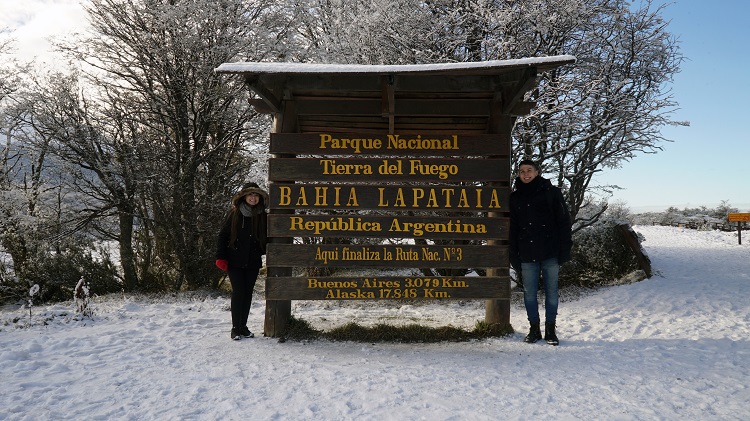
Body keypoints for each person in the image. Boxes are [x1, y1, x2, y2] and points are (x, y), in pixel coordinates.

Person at [509, 159, 572, 346]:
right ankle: (534, 329)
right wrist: (514, 254)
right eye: (522, 171)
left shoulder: (552, 193)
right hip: (527, 252)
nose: (525, 174)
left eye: (529, 170)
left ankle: (551, 330)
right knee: (529, 294)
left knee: (551, 292)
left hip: (550, 251)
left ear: (537, 172)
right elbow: (513, 228)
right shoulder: (515, 197)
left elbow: (563, 222)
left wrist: (564, 250)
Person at [216, 182, 269, 341]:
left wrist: (261, 250)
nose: (253, 198)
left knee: (247, 294)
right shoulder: (234, 214)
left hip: (252, 261)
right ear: (244, 197)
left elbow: (267, 237)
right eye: (250, 195)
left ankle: (243, 326)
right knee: (239, 292)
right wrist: (221, 257)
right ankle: (235, 328)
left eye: (256, 195)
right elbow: (223, 235)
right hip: (235, 260)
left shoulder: (263, 216)